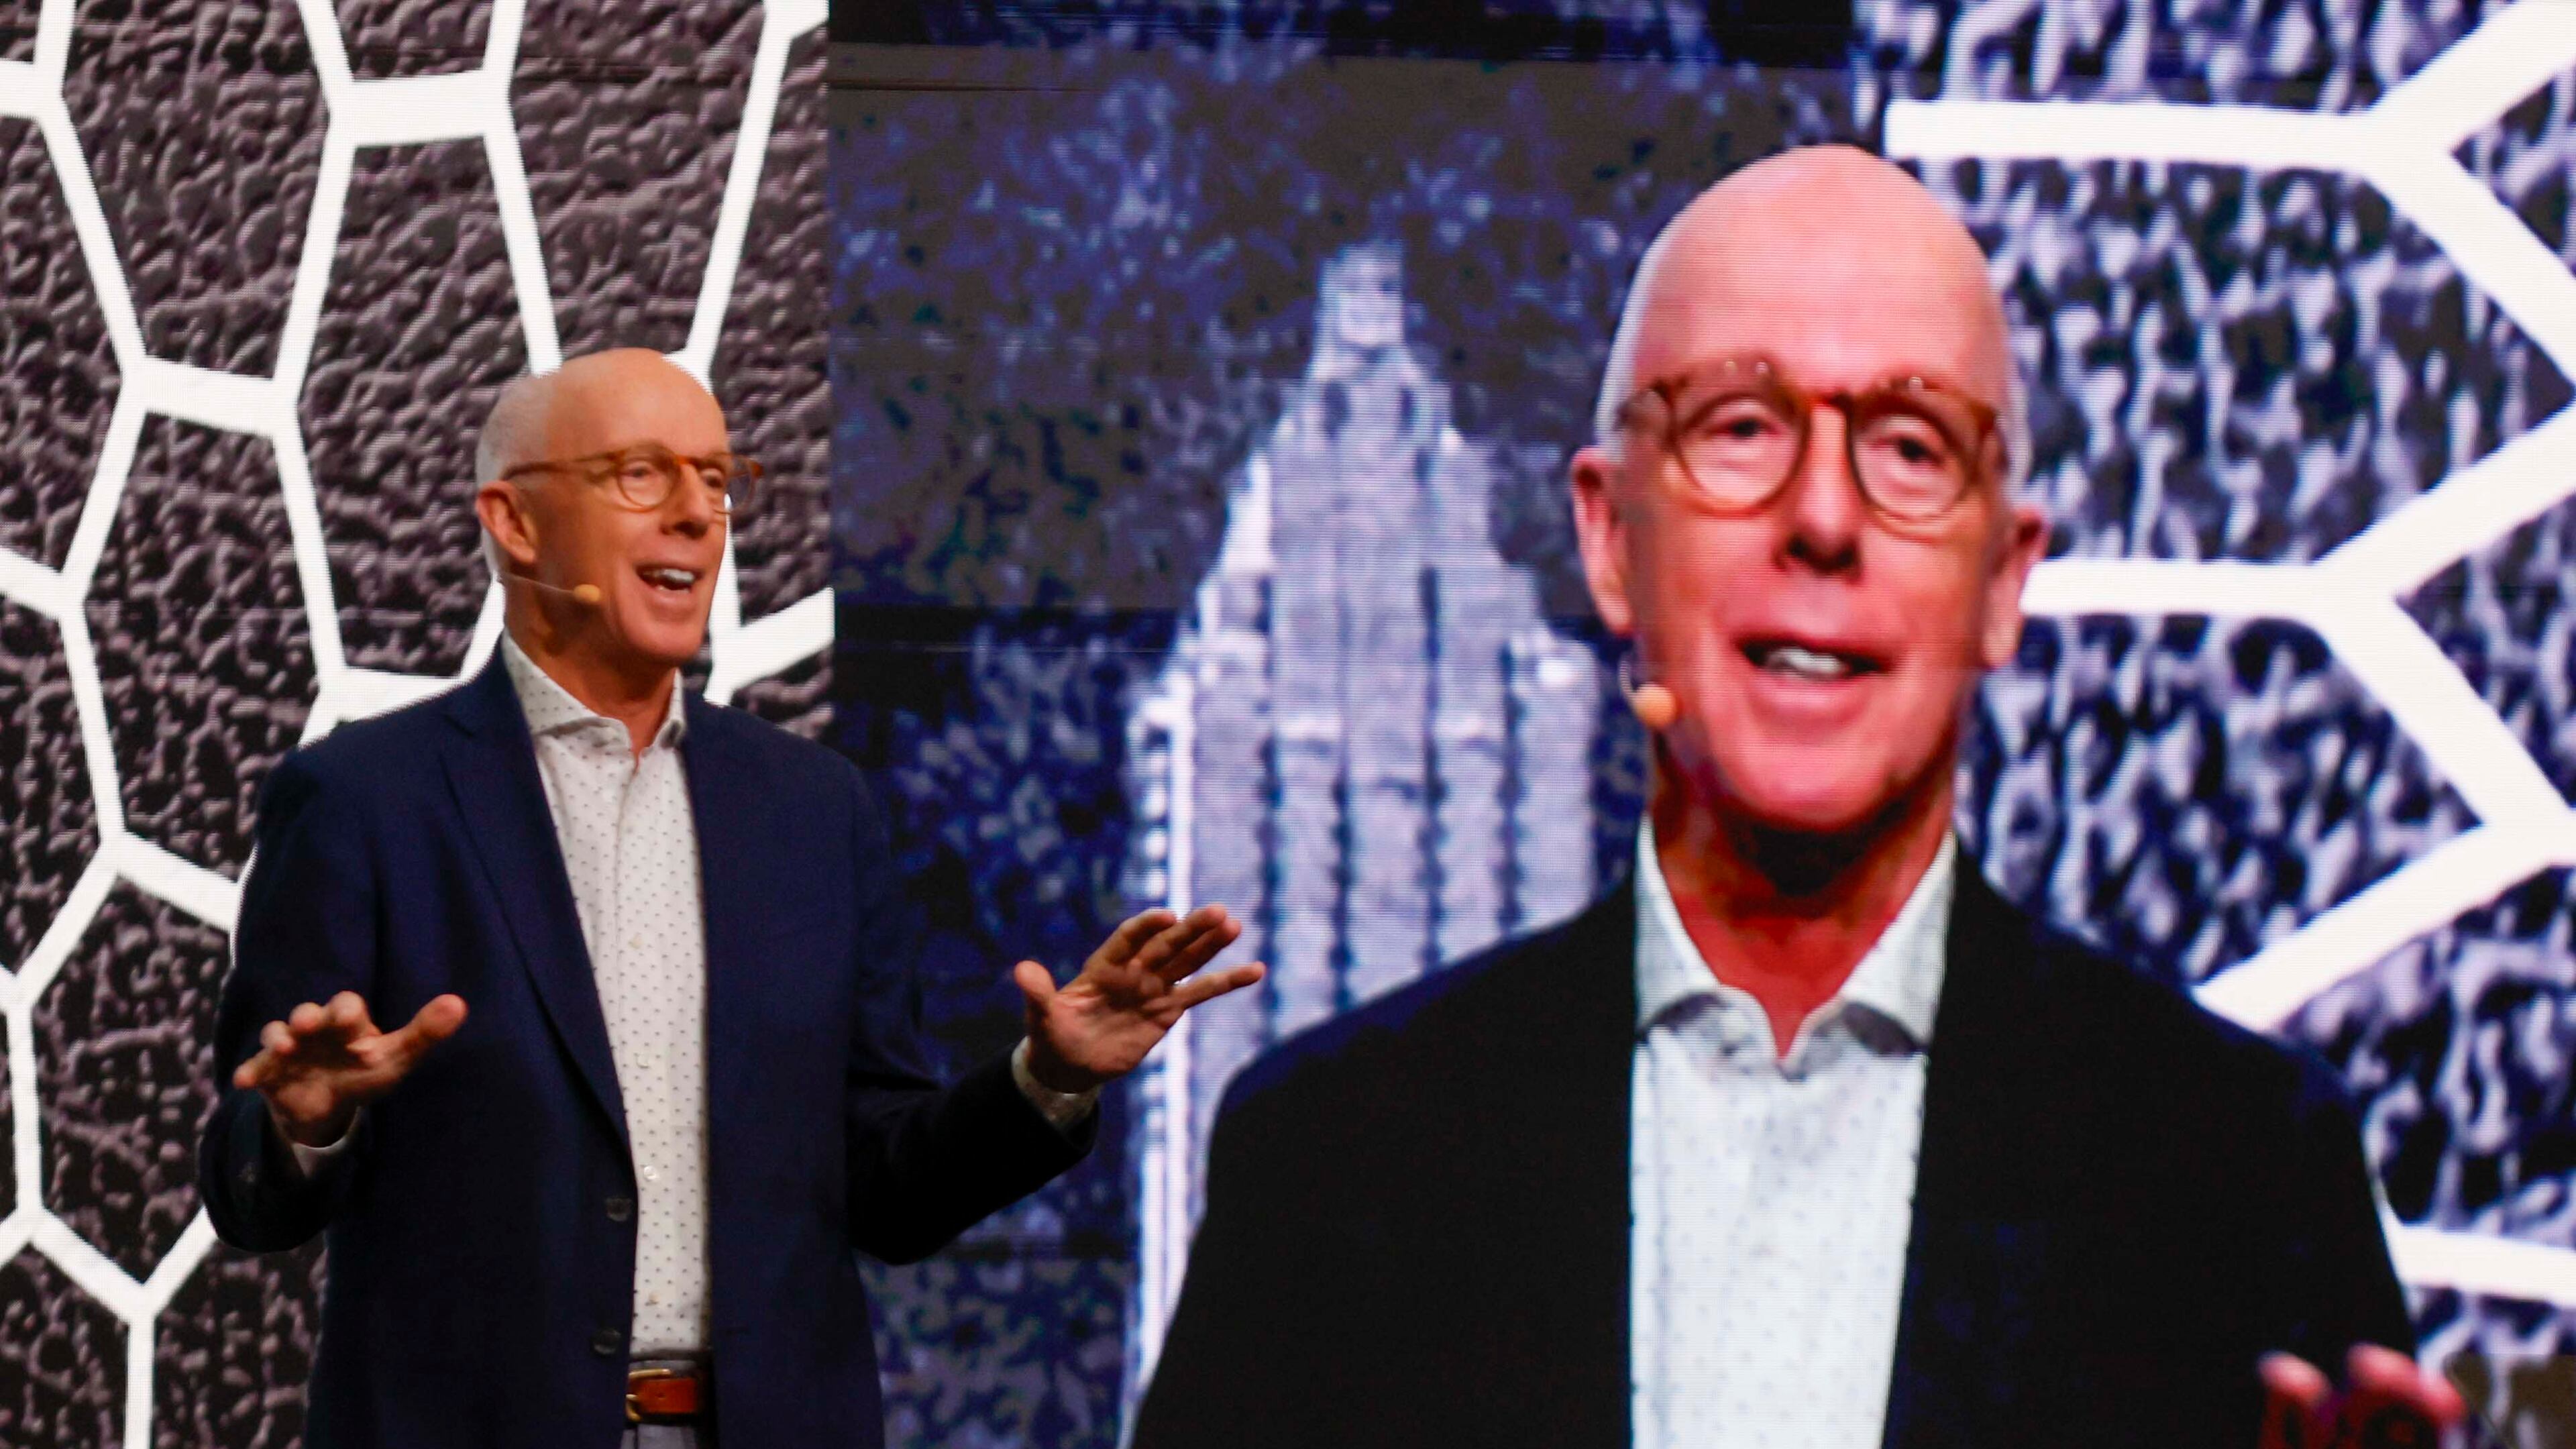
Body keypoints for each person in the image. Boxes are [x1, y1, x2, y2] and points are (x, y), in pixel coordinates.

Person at [1132, 147, 2464, 1449]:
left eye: (1910, 446)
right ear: (1608, 540)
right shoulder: (1331, 1159)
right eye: (1742, 429)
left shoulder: (2238, 1172)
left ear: (2005, 578)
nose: (1823, 516)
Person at [197, 349, 1265, 1449]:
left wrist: (1047, 1081)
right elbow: (245, 1192)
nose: (700, 516)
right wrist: (300, 1122)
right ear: (515, 522)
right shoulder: (365, 798)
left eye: (717, 479)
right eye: (643, 476)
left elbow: (886, 1190)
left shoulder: (812, 811)